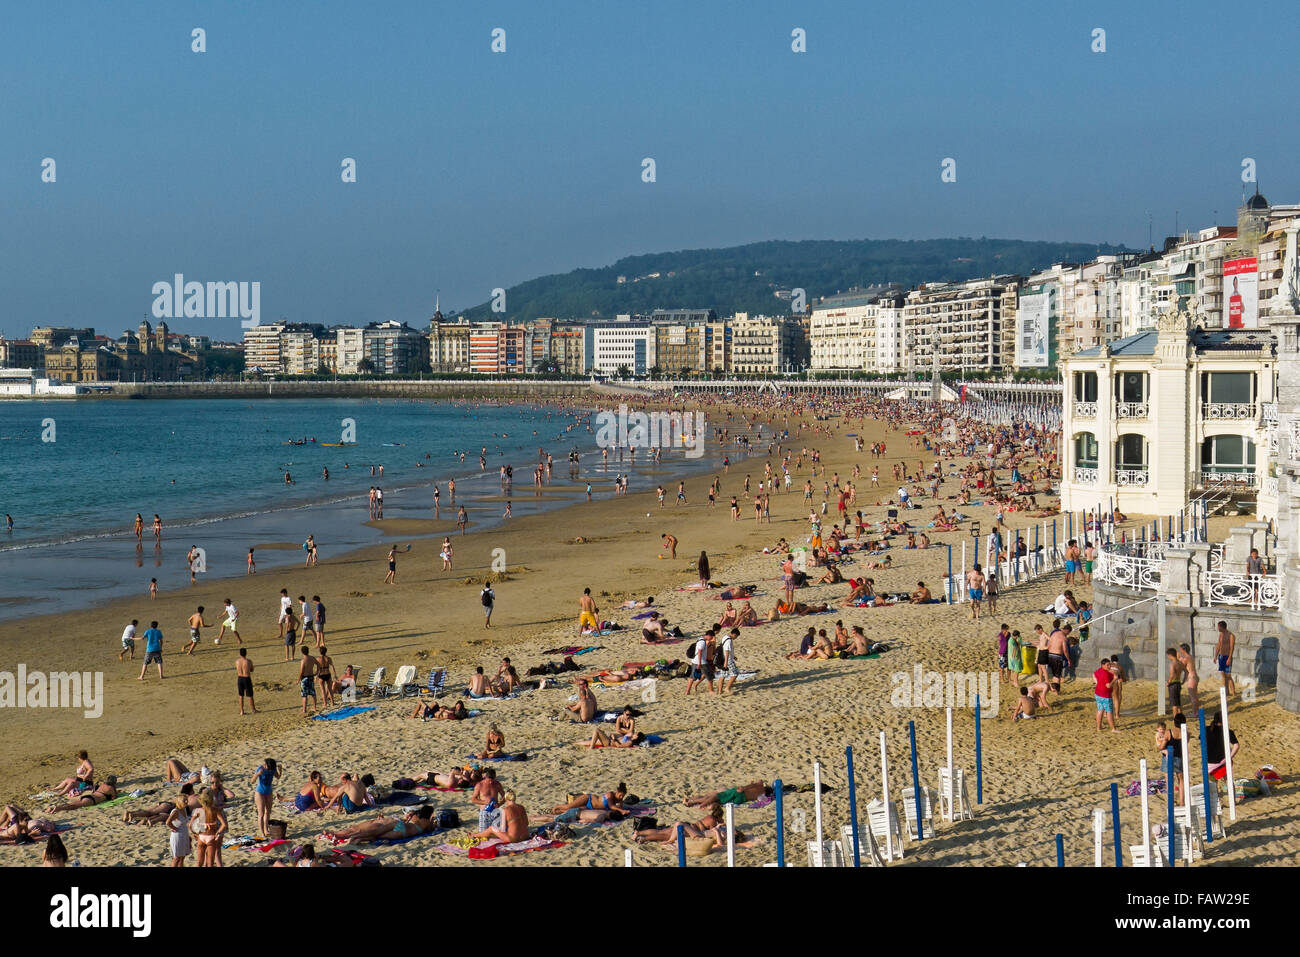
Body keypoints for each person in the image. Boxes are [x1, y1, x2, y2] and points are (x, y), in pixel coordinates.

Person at [324, 806, 439, 845]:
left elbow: (408, 817)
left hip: (398, 824)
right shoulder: (426, 823)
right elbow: (432, 827)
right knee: (375, 835)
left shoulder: (418, 818)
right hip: (401, 832)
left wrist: (407, 816)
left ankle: (338, 835)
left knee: (369, 830)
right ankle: (353, 837)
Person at [250, 758, 279, 839]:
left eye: (267, 765)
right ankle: (262, 833)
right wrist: (257, 774)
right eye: (265, 764)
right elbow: (252, 781)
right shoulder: (260, 768)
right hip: (260, 792)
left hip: (269, 792)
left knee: (268, 812)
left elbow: (278, 777)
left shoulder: (273, 769)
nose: (265, 766)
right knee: (261, 813)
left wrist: (281, 770)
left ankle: (266, 830)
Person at [1205, 711, 1240, 777]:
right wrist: (1229, 757)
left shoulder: (1206, 729)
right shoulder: (1228, 731)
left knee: (1213, 784)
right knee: (1227, 781)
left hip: (1208, 763)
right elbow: (1236, 745)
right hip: (1223, 762)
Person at [685, 630, 716, 695]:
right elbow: (699, 652)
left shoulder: (700, 639)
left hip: (695, 661)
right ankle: (711, 691)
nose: (711, 639)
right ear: (709, 635)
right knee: (710, 676)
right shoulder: (702, 642)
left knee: (692, 677)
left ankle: (687, 691)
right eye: (711, 637)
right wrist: (699, 663)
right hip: (701, 662)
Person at [1093, 660, 1119, 732]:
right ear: (1103, 665)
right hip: (1105, 696)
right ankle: (1113, 729)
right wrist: (1115, 679)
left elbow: (1094, 675)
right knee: (1109, 712)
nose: (1109, 666)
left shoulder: (1099, 670)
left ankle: (1098, 727)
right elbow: (1108, 685)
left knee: (1100, 710)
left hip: (1098, 693)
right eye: (1108, 665)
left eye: (1110, 665)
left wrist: (1097, 683)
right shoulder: (1106, 674)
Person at [166, 795, 192, 866]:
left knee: (182, 856)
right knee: (176, 857)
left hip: (184, 834)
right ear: (179, 802)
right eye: (184, 800)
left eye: (187, 800)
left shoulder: (184, 809)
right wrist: (174, 828)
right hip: (177, 836)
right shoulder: (175, 811)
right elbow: (168, 822)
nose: (186, 802)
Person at [1214, 620, 1236, 697]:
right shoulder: (1221, 634)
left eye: (1218, 627)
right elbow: (1218, 645)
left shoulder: (1231, 635)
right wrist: (1215, 656)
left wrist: (1229, 658)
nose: (1217, 628)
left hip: (1227, 656)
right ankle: (1227, 692)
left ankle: (1233, 693)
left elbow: (1232, 647)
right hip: (1221, 656)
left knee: (1228, 675)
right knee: (1223, 675)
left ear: (1222, 627)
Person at [1177, 643, 1200, 713]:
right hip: (1194, 676)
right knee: (1195, 696)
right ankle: (1195, 712)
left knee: (1193, 697)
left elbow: (1181, 667)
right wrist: (1184, 680)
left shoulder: (1186, 658)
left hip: (1191, 678)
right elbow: (1186, 670)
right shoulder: (1190, 657)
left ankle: (1194, 713)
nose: (1180, 651)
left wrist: (1178, 659)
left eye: (1181, 650)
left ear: (1184, 650)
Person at [719, 627, 741, 694]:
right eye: (736, 636)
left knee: (722, 675)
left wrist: (733, 656)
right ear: (734, 634)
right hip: (727, 660)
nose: (736, 638)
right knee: (735, 673)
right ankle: (727, 688)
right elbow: (727, 651)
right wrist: (726, 663)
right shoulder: (729, 641)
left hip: (723, 658)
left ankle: (719, 691)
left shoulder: (725, 637)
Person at [236, 647, 257, 714]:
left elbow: (237, 669)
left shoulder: (237, 661)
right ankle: (253, 710)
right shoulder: (248, 661)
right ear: (246, 653)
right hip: (246, 678)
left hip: (239, 678)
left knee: (241, 695)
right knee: (250, 695)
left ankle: (241, 711)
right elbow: (252, 670)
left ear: (240, 654)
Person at [299, 646, 318, 715]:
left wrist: (298, 679)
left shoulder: (303, 660)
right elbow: (318, 664)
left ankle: (304, 710)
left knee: (304, 694)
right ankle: (315, 707)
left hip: (304, 678)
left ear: (302, 652)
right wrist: (316, 672)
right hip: (311, 677)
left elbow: (301, 671)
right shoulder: (312, 658)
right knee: (313, 693)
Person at [1166, 647, 1185, 713]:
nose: (1168, 657)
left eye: (1168, 655)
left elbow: (1172, 675)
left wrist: (1168, 682)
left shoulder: (1172, 664)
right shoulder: (1180, 663)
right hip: (1178, 683)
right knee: (1178, 703)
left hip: (1173, 684)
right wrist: (1183, 681)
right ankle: (1181, 718)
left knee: (1174, 704)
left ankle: (1176, 720)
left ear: (1170, 655)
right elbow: (1186, 672)